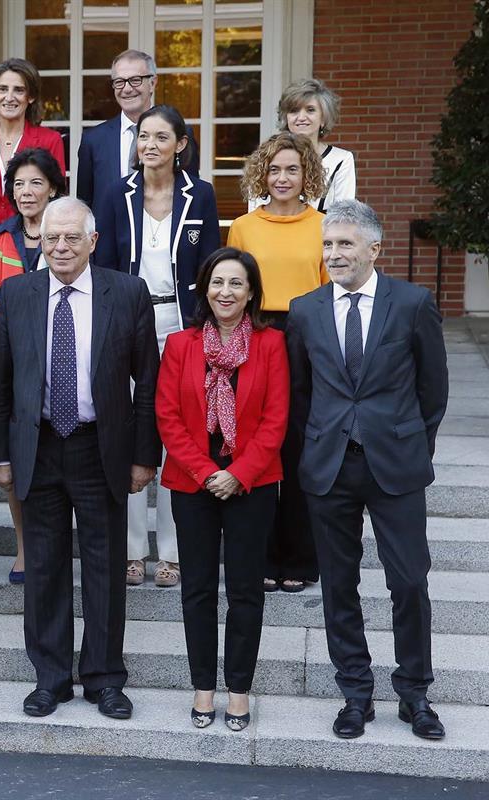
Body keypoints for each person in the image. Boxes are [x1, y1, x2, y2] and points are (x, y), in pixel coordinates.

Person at [0, 197, 160, 720]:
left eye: (71, 239)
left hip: (98, 446)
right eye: (50, 238)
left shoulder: (126, 293)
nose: (59, 247)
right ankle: (51, 678)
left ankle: (105, 678)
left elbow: (147, 383)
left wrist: (143, 457)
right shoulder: (17, 293)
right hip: (36, 446)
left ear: (93, 242)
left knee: (106, 567)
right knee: (43, 567)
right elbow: (1, 382)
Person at [286, 200, 449, 741]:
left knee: (409, 581)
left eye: (345, 244)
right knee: (339, 585)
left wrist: (410, 442)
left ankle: (415, 693)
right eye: (328, 245)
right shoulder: (305, 310)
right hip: (330, 468)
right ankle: (355, 693)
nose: (334, 254)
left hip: (396, 467)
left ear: (374, 249)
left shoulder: (412, 303)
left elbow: (433, 389)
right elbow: (302, 394)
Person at [156, 247, 288, 732]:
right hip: (192, 483)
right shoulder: (179, 345)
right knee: (197, 590)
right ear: (203, 289)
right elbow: (167, 417)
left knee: (246, 591)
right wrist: (205, 471)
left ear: (251, 292)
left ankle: (239, 691)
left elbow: (276, 420)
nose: (225, 292)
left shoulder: (271, 345)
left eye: (236, 284)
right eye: (217, 283)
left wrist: (239, 472)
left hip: (252, 482)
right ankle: (202, 688)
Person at [94, 104, 220, 589]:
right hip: (125, 321)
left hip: (180, 323)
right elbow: (102, 264)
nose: (149, 145)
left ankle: (171, 551)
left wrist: (202, 328)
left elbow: (209, 267)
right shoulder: (114, 193)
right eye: (143, 136)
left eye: (161, 137)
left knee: (177, 436)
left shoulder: (201, 196)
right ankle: (131, 550)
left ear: (180, 145)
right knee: (126, 431)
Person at [227, 131, 326, 593]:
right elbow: (236, 288)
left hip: (307, 335)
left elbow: (330, 291)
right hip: (258, 333)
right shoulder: (245, 227)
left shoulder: (324, 224)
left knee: (300, 446)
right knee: (256, 444)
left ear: (308, 174)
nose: (283, 177)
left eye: (292, 169)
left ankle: (300, 559)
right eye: (274, 169)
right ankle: (260, 555)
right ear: (261, 174)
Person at [0, 146, 67, 584]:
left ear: (53, 189)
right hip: (8, 369)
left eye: (36, 183)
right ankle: (25, 547)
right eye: (18, 183)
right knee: (15, 465)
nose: (26, 192)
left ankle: (57, 545)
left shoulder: (69, 238)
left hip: (62, 365)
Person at [0, 58, 66, 247]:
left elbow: (56, 198)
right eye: (2, 89)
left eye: (18, 90)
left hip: (35, 246)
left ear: (30, 97)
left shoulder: (50, 140)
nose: (9, 97)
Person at [76, 50, 199, 213]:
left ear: (153, 83)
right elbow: (84, 205)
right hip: (109, 236)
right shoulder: (93, 140)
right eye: (119, 82)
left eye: (135, 80)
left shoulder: (179, 134)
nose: (126, 89)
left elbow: (191, 193)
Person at [277, 78, 355, 213]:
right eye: (294, 110)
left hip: (324, 233)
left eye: (310, 110)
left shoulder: (341, 159)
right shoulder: (270, 156)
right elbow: (257, 209)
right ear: (286, 117)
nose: (301, 117)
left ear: (323, 119)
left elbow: (344, 215)